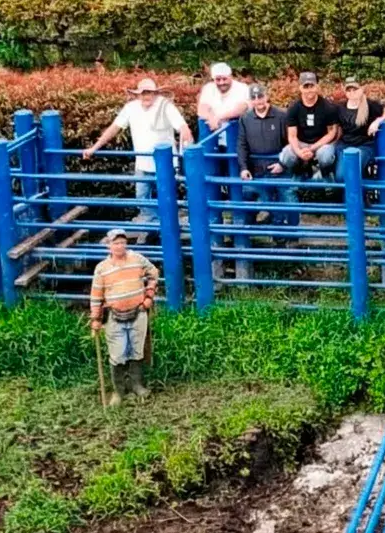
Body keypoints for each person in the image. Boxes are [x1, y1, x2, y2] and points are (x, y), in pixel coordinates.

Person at [83, 78, 194, 230]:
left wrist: (187, 143)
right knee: (141, 197)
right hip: (142, 162)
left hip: (165, 162)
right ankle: (151, 227)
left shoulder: (165, 106)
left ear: (155, 93)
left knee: (167, 197)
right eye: (143, 93)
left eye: (149, 92)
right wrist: (94, 147)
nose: (146, 96)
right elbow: (114, 128)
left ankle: (167, 228)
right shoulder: (130, 108)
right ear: (137, 94)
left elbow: (182, 126)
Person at [90, 229, 161, 407]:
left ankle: (137, 385)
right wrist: (96, 319)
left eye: (122, 242)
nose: (119, 246)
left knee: (137, 351)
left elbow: (154, 273)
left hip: (138, 313)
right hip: (114, 316)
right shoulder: (102, 268)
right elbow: (96, 295)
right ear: (109, 245)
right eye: (116, 243)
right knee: (117, 354)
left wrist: (149, 296)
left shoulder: (137, 259)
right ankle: (119, 391)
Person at [237, 84, 297, 227]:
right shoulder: (245, 119)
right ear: (250, 100)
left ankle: (292, 234)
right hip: (256, 171)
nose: (258, 100)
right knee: (247, 198)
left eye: (261, 96)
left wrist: (283, 164)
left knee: (290, 202)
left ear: (267, 96)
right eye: (254, 98)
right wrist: (243, 168)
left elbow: (292, 142)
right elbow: (242, 145)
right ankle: (247, 233)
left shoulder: (282, 115)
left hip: (280, 170)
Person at [281, 72, 339, 180]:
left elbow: (331, 133)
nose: (309, 90)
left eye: (312, 86)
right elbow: (292, 136)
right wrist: (299, 152)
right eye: (306, 86)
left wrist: (312, 148)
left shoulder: (328, 107)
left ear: (317, 86)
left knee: (325, 156)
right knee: (286, 156)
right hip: (301, 143)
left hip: (321, 143)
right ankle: (300, 172)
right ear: (300, 88)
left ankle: (325, 174)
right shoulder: (293, 108)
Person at [334, 76, 385, 180]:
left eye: (355, 89)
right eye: (349, 90)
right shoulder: (340, 108)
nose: (352, 93)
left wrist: (376, 122)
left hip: (364, 145)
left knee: (351, 172)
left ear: (361, 89)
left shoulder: (370, 105)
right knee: (340, 176)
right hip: (345, 145)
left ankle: (362, 187)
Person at [196, 62, 251, 144]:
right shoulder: (208, 88)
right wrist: (211, 118)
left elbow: (242, 108)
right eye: (218, 80)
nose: (221, 83)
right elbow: (202, 109)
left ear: (230, 77)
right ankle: (207, 150)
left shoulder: (242, 88)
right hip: (213, 127)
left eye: (224, 79)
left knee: (235, 122)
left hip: (234, 130)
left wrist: (219, 118)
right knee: (203, 120)